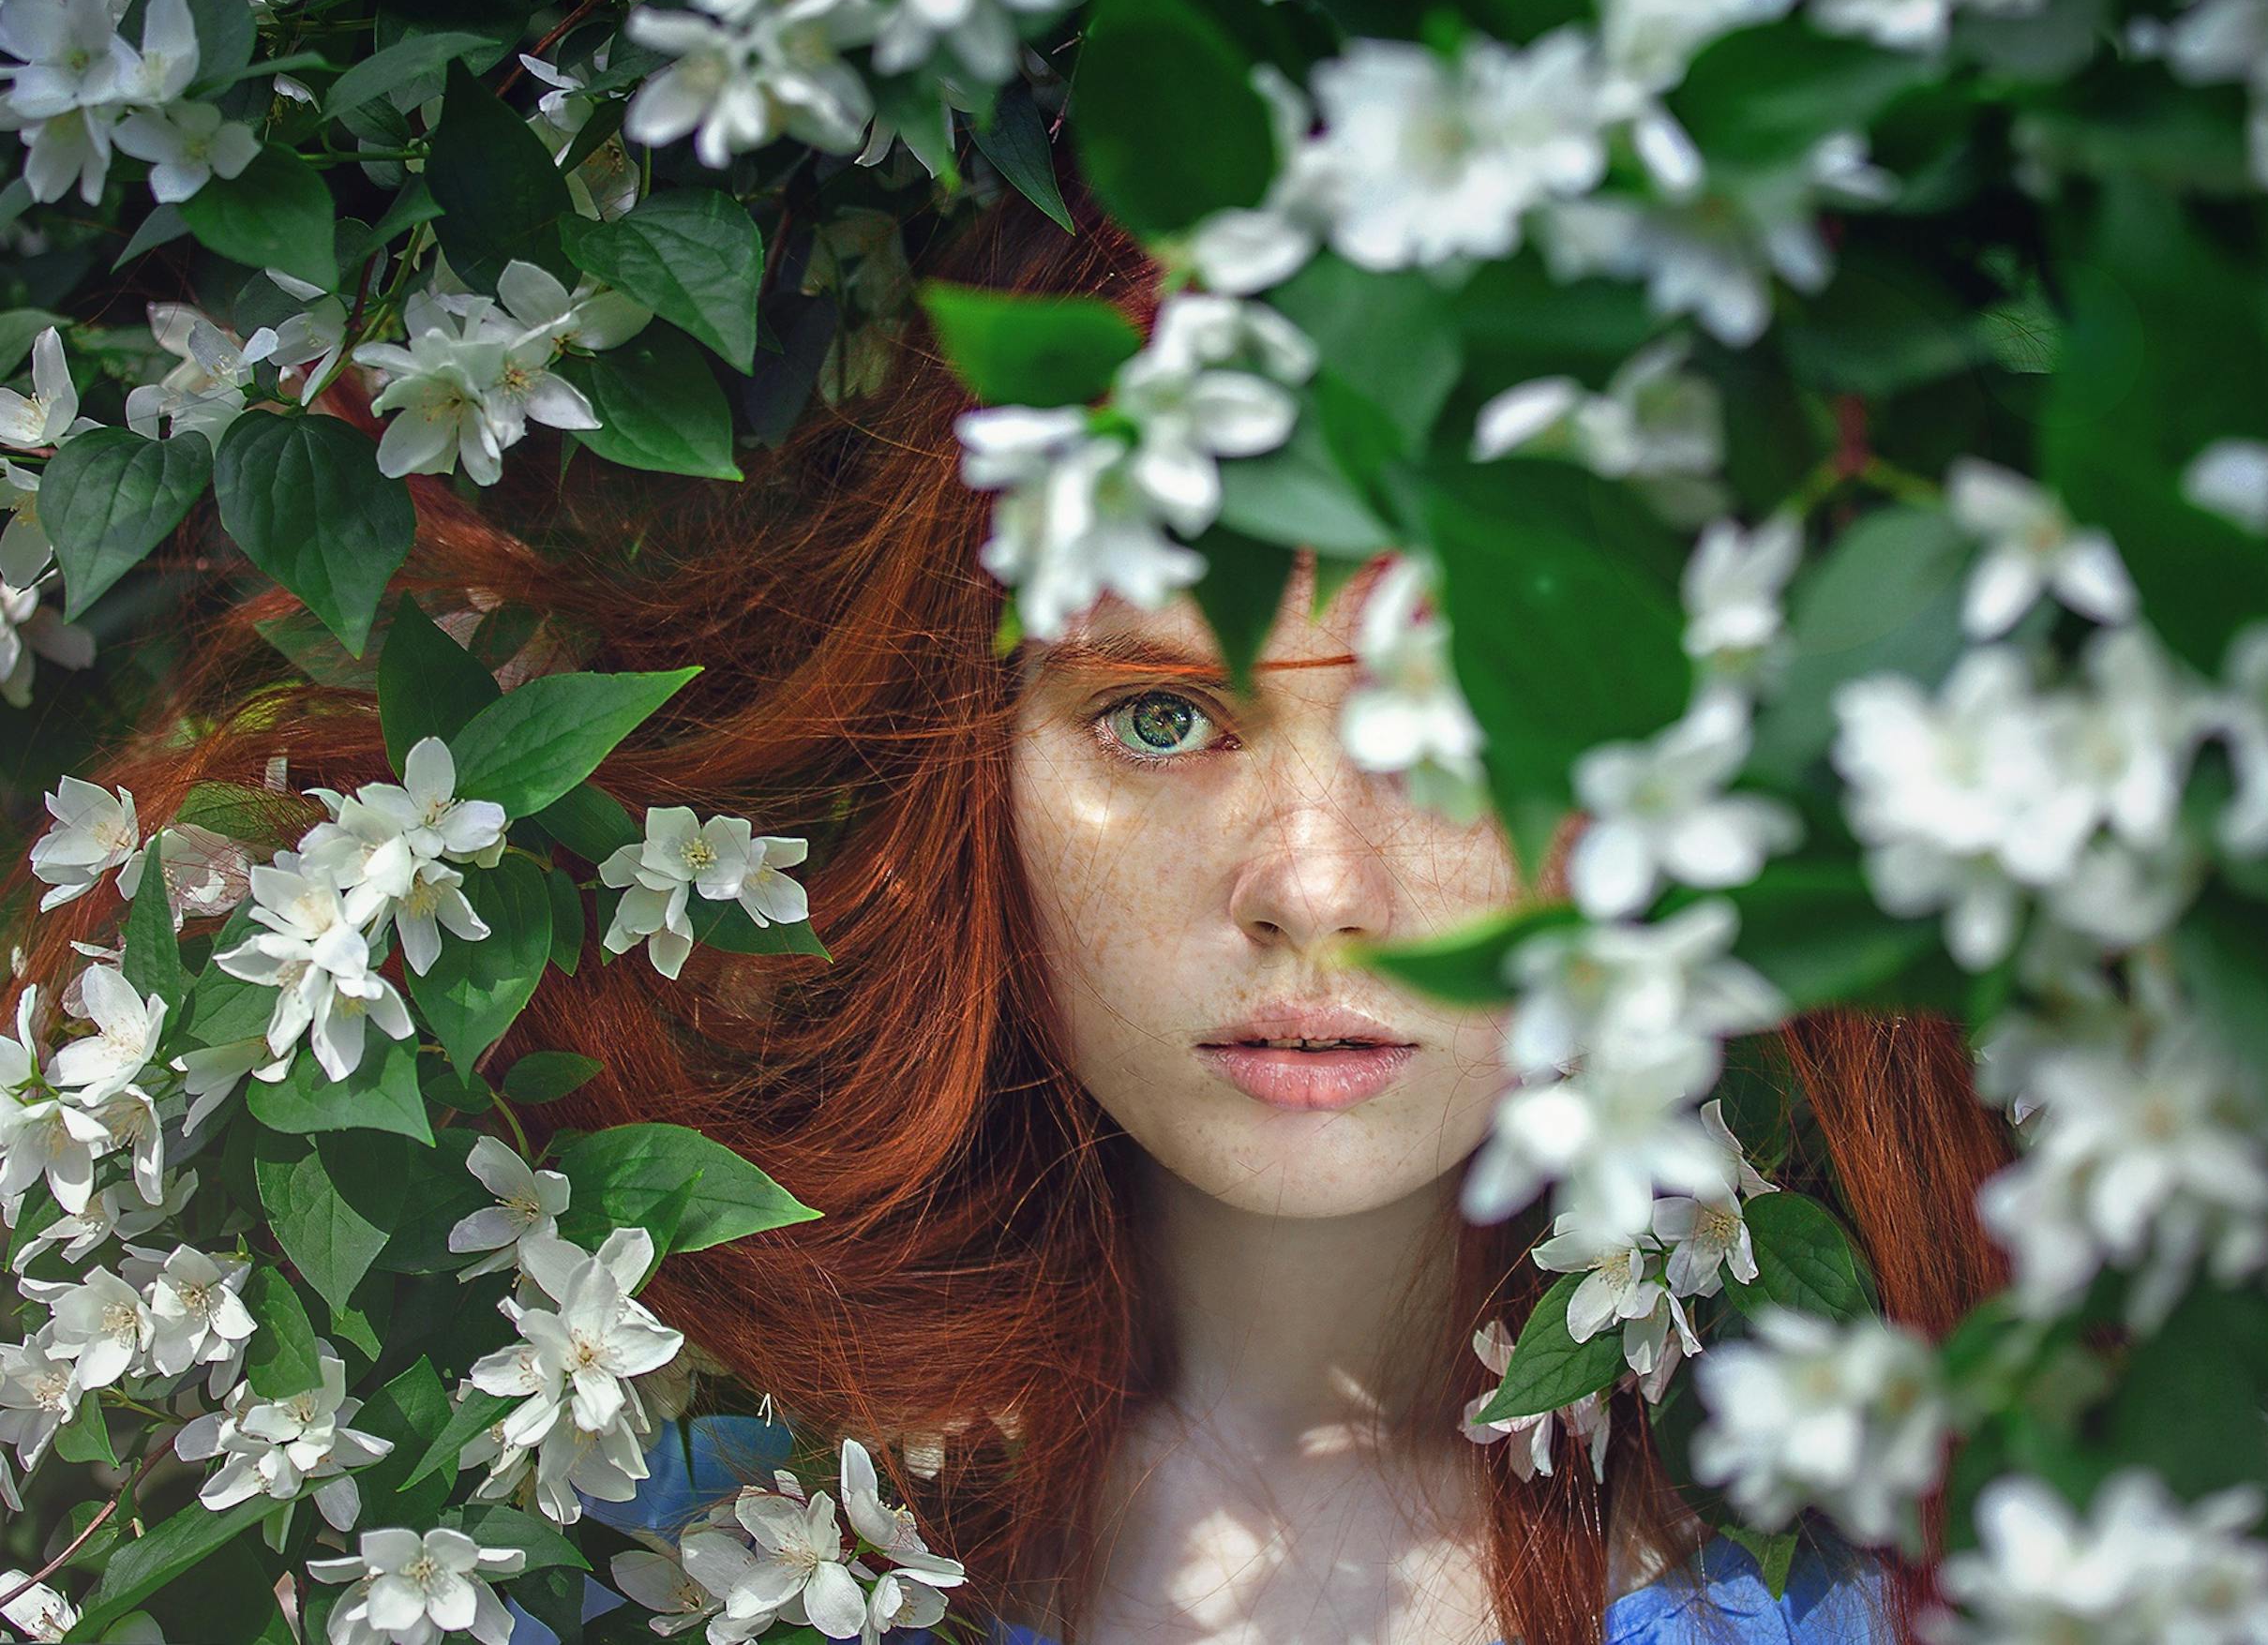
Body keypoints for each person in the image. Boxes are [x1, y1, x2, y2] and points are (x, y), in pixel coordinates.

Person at [55, 177, 2012, 1644]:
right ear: (969, 769)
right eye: (1158, 714)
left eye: (1458, 719)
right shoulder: (665, 1521)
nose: (1309, 885)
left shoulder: (1926, 1574)